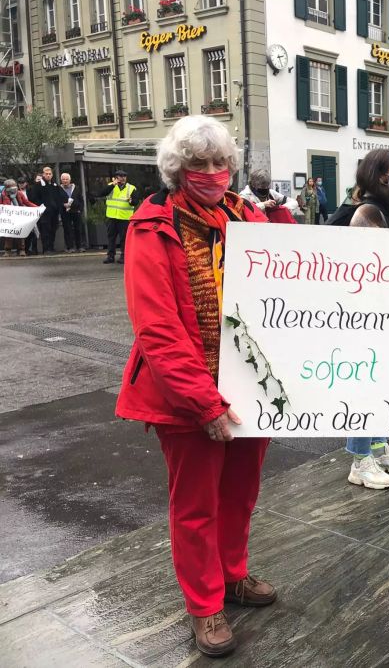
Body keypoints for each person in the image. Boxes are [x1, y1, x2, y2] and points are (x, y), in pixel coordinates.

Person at [115, 116, 274, 658]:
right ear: (177, 170)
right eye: (198, 164)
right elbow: (157, 329)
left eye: (219, 162)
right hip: (188, 396)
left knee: (240, 494)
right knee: (196, 506)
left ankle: (233, 575)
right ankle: (205, 606)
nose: (211, 172)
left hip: (249, 386)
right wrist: (204, 401)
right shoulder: (152, 226)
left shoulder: (250, 217)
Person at [343, 148, 389, 487]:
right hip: (367, 319)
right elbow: (368, 268)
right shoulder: (368, 212)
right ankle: (359, 460)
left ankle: (378, 445)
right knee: (365, 384)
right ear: (382, 175)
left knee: (383, 382)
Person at [96, 170, 138, 264]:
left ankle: (124, 256)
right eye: (120, 176)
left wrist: (131, 201)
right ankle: (110, 256)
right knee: (111, 237)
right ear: (116, 178)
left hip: (124, 218)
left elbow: (135, 201)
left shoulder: (131, 188)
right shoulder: (111, 186)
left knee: (124, 239)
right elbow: (101, 193)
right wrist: (113, 185)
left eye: (124, 176)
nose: (122, 178)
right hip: (112, 217)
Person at [27, 166, 67, 253]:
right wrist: (42, 206)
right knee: (45, 231)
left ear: (52, 175)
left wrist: (59, 206)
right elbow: (34, 198)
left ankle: (51, 247)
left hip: (54, 212)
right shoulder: (37, 186)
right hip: (44, 213)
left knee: (53, 230)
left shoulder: (55, 185)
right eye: (46, 174)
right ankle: (46, 248)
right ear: (43, 175)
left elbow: (60, 197)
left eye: (50, 174)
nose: (48, 175)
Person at [1, 178, 37, 256]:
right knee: (8, 235)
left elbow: (27, 202)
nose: (14, 189)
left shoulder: (19, 194)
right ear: (7, 188)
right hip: (8, 218)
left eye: (15, 187)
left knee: (20, 234)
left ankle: (21, 250)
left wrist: (37, 208)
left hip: (19, 217)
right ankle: (7, 250)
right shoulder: (2, 195)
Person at [59, 173, 85, 253]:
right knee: (68, 229)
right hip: (65, 212)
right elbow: (57, 200)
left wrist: (80, 209)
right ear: (61, 180)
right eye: (63, 179)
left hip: (76, 211)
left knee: (78, 229)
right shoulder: (58, 189)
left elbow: (81, 199)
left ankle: (80, 246)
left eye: (67, 179)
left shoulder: (76, 188)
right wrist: (63, 205)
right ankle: (70, 247)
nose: (65, 181)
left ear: (70, 180)